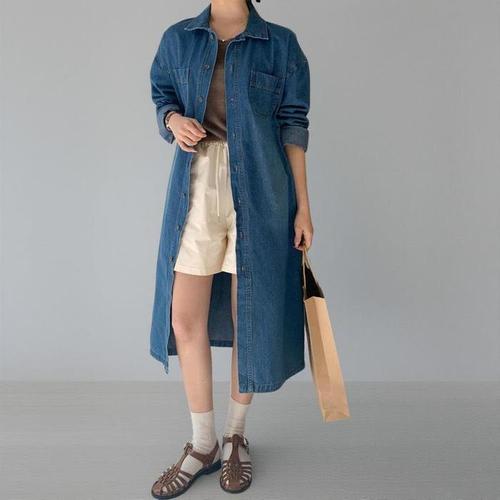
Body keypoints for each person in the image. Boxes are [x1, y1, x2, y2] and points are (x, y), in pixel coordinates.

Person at [149, 0, 313, 497]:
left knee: (250, 316)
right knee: (185, 318)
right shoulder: (179, 38)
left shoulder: (280, 43)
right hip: (196, 186)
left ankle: (234, 436)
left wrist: (303, 208)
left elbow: (293, 126)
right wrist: (172, 119)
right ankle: (202, 444)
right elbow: (162, 94)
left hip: (261, 191)